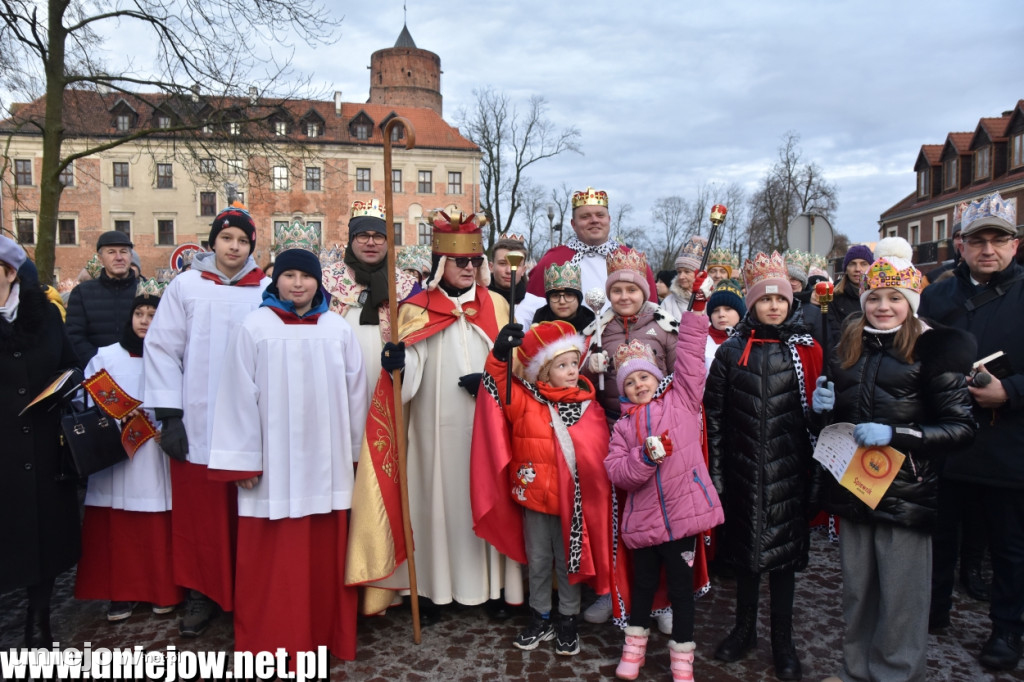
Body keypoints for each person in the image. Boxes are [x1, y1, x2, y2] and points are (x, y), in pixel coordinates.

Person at [811, 237, 975, 682]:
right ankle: (855, 671)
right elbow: (839, 418)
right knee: (858, 593)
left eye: (895, 298)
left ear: (911, 303)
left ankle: (897, 674)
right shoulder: (849, 345)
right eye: (875, 297)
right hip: (855, 489)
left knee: (902, 599)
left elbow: (961, 427)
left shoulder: (932, 349)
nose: (883, 307)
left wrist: (898, 435)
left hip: (906, 493)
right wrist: (821, 408)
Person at [349, 208, 523, 623]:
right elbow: (406, 380)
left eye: (475, 262)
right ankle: (431, 590)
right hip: (434, 431)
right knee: (435, 505)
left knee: (489, 497)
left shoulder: (498, 305)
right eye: (460, 261)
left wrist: (493, 379)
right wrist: (398, 362)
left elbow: (517, 372)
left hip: (488, 429)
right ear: (442, 264)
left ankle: (494, 587)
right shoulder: (417, 308)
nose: (469, 268)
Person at [208, 248, 367, 665]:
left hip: (327, 465)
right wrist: (244, 460)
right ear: (275, 280)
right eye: (289, 275)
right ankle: (270, 640)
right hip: (272, 470)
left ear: (319, 282)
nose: (298, 284)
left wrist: (354, 454)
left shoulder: (337, 329)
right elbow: (237, 394)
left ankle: (323, 636)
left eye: (306, 276)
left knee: (323, 562)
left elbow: (355, 395)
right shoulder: (255, 327)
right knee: (273, 565)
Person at [144, 201, 269, 637]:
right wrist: (169, 417)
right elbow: (162, 348)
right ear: (212, 241)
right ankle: (202, 592)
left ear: (252, 246)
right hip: (197, 419)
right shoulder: (187, 286)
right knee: (201, 516)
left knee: (248, 511)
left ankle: (248, 589)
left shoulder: (266, 290)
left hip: (250, 421)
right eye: (226, 238)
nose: (233, 247)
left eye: (242, 240)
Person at [918, 192, 1024, 672]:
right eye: (977, 239)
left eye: (997, 240)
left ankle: (1006, 628)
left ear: (1014, 245)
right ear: (960, 245)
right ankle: (934, 609)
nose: (988, 249)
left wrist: (1012, 391)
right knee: (937, 534)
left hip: (1008, 445)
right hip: (945, 440)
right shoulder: (938, 294)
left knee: (1009, 545)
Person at [704, 251, 822, 681]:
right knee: (746, 559)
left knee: (784, 565)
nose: (773, 306)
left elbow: (818, 420)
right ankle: (743, 629)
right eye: (764, 299)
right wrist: (717, 474)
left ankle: (783, 640)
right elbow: (713, 417)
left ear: (791, 303)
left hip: (789, 474)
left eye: (781, 299)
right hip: (742, 472)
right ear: (751, 303)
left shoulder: (806, 350)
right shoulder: (731, 352)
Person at [471, 320, 613, 656]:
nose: (569, 371)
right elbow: (498, 384)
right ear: (543, 372)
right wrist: (499, 354)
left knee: (567, 562)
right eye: (560, 365)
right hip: (534, 497)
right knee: (537, 560)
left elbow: (595, 454)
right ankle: (540, 616)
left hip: (571, 503)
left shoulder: (586, 405)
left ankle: (567, 617)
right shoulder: (524, 400)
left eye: (572, 364)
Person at [605, 314, 725, 682]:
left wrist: (695, 317)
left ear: (657, 376)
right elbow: (617, 472)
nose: (639, 384)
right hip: (643, 524)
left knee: (680, 591)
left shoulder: (682, 402)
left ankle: (682, 658)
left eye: (644, 376)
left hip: (683, 516)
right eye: (630, 380)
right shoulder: (622, 428)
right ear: (622, 389)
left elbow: (690, 359)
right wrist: (643, 458)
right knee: (642, 587)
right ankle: (634, 647)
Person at [74, 279, 183, 620]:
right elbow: (84, 398)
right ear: (129, 317)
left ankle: (161, 589)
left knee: (157, 524)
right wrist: (118, 412)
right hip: (116, 454)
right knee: (117, 528)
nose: (145, 320)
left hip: (155, 451)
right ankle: (119, 593)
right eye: (139, 313)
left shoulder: (173, 357)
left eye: (153, 314)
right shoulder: (105, 356)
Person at [0, 236, 81, 646]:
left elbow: (69, 363)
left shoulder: (46, 317)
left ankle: (41, 621)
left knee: (45, 540)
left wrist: (64, 386)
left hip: (45, 448)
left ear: (10, 273)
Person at [322, 199, 420, 406]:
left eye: (378, 236)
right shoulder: (326, 281)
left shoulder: (407, 287)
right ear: (351, 238)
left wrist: (404, 364)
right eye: (363, 235)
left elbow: (420, 346)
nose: (371, 242)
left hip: (390, 395)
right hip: (337, 392)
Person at [517, 187, 657, 325]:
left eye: (600, 215)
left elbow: (653, 311)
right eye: (585, 217)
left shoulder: (632, 259)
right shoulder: (553, 260)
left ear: (608, 219)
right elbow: (531, 313)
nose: (594, 220)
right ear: (573, 224)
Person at [584, 248, 680, 427]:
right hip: (611, 423)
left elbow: (680, 376)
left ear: (643, 292)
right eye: (617, 291)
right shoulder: (598, 330)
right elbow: (582, 385)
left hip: (658, 421)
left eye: (632, 290)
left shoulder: (666, 326)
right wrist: (590, 368)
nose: (624, 297)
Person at [66, 230, 139, 367]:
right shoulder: (82, 293)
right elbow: (74, 336)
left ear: (130, 256)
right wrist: (98, 363)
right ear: (100, 259)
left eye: (123, 251)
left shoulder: (144, 293)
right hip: (97, 375)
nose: (118, 257)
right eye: (111, 252)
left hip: (137, 371)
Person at [826, 244, 873, 349]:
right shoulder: (833, 297)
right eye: (852, 264)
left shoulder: (878, 296)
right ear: (846, 268)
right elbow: (833, 334)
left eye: (863, 264)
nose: (858, 269)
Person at [530, 262, 596, 333]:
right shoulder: (538, 323)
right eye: (555, 296)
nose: (562, 301)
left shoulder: (592, 326)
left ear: (578, 299)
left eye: (569, 295)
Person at [660, 235, 709, 320]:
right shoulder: (668, 302)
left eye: (687, 272)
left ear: (699, 274)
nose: (681, 276)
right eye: (679, 272)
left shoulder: (710, 301)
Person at [704, 279, 745, 371]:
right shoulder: (700, 341)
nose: (721, 314)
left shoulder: (750, 340)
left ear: (740, 313)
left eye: (728, 309)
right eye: (715, 310)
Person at [489, 234, 529, 305]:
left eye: (516, 264)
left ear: (523, 270)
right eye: (502, 263)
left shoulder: (537, 306)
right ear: (491, 267)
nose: (509, 271)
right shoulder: (477, 301)